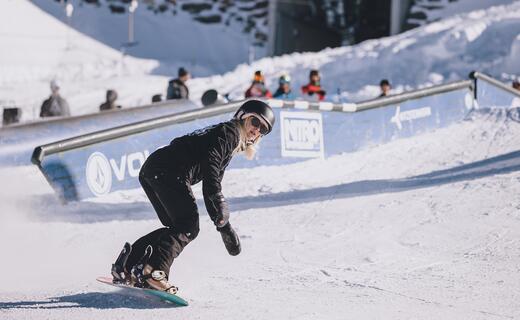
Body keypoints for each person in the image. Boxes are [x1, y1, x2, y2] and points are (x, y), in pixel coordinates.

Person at [110, 100, 276, 294]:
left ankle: (127, 266)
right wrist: (220, 201)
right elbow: (211, 171)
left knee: (178, 226)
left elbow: (212, 179)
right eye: (255, 122)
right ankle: (154, 272)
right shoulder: (229, 133)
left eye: (263, 129)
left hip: (155, 169)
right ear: (243, 116)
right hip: (169, 171)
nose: (256, 130)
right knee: (188, 226)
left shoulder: (226, 138)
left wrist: (223, 226)